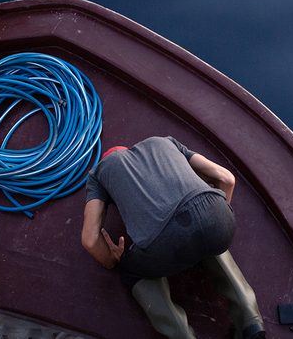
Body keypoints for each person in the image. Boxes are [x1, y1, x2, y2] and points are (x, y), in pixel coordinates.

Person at [81, 136, 266, 339]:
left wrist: (111, 259)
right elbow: (226, 179)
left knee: (131, 271)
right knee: (207, 235)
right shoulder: (165, 141)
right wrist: (215, 217)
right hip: (218, 214)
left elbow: (90, 240)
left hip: (165, 243)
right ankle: (251, 321)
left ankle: (182, 334)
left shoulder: (99, 174)